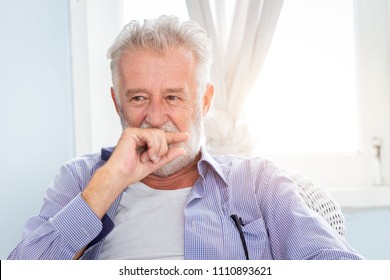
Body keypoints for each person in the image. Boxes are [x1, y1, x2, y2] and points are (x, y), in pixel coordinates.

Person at [8, 15, 363, 260]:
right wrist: (108, 184)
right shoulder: (80, 179)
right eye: (138, 98)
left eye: (173, 97)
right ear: (117, 102)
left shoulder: (258, 183)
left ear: (205, 100)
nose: (156, 117)